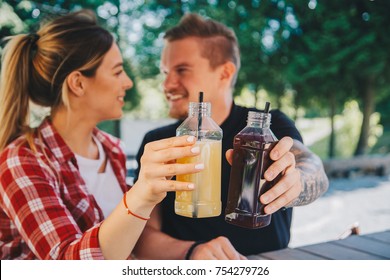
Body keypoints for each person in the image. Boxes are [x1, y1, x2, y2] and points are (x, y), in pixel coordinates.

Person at [0, 10, 203, 260]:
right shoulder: (22, 161)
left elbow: (124, 243)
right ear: (78, 83)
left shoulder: (111, 148)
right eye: (117, 71)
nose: (127, 82)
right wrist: (141, 195)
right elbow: (66, 265)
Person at [133, 13, 329, 260]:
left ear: (225, 73)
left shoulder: (270, 126)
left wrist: (297, 180)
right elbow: (143, 237)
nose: (168, 83)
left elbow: (312, 168)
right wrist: (193, 252)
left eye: (181, 70)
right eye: (164, 72)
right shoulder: (157, 144)